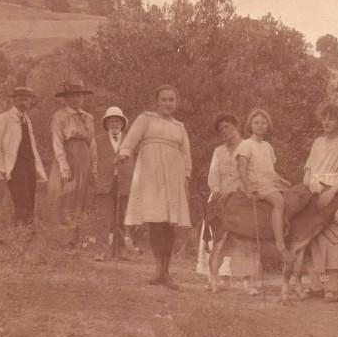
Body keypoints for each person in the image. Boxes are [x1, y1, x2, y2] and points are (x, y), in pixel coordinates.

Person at [117, 84, 191, 289]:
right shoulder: (146, 119)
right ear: (157, 101)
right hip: (151, 175)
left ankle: (166, 272)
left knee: (169, 224)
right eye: (164, 99)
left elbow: (186, 154)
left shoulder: (179, 127)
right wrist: (124, 153)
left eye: (171, 100)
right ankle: (158, 271)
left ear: (176, 103)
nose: (168, 103)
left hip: (173, 177)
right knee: (156, 222)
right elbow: (130, 140)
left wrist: (186, 176)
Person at [196, 113, 260, 294]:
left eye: (228, 127)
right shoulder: (219, 151)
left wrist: (241, 191)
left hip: (242, 197)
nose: (224, 131)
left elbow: (253, 172)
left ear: (236, 127)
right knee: (219, 238)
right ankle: (221, 278)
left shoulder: (248, 147)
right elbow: (213, 175)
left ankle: (248, 281)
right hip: (221, 198)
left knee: (245, 239)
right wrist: (217, 192)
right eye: (221, 129)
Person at [301, 103, 338, 302]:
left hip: (335, 192)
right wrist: (308, 185)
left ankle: (332, 288)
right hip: (313, 192)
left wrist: (331, 192)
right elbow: (308, 170)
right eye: (324, 118)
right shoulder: (318, 142)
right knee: (306, 236)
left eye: (331, 118)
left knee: (334, 238)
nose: (326, 122)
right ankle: (315, 285)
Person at [235, 108, 291, 262]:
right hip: (256, 184)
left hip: (269, 183)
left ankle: (290, 235)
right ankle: (280, 245)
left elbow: (269, 171)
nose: (260, 125)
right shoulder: (246, 144)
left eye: (263, 123)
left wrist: (282, 181)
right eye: (256, 122)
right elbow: (241, 168)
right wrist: (248, 186)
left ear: (268, 126)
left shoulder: (267, 146)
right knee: (278, 201)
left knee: (294, 196)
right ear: (250, 125)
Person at [0, 86, 48, 225]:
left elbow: (30, 144)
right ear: (13, 100)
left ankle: (28, 229)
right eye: (20, 99)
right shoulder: (3, 118)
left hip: (30, 163)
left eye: (27, 100)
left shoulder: (27, 120)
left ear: (30, 101)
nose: (24, 103)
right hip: (15, 165)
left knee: (31, 198)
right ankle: (19, 230)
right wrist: (0, 167)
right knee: (21, 199)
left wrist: (35, 163)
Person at [46, 79, 98, 226]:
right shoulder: (59, 116)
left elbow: (92, 142)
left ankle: (80, 215)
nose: (75, 99)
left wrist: (94, 165)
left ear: (83, 97)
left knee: (83, 185)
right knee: (68, 184)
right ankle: (65, 216)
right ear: (65, 99)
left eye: (78, 96)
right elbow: (57, 141)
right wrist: (63, 164)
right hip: (68, 152)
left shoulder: (88, 117)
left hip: (84, 154)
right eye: (71, 96)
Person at [94, 106, 135, 260]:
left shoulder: (130, 140)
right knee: (104, 217)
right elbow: (94, 161)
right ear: (106, 124)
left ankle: (120, 251)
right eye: (111, 121)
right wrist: (113, 161)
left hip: (124, 182)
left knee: (122, 217)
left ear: (122, 123)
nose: (114, 124)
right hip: (105, 182)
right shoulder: (98, 140)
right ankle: (101, 251)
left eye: (117, 121)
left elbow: (137, 160)